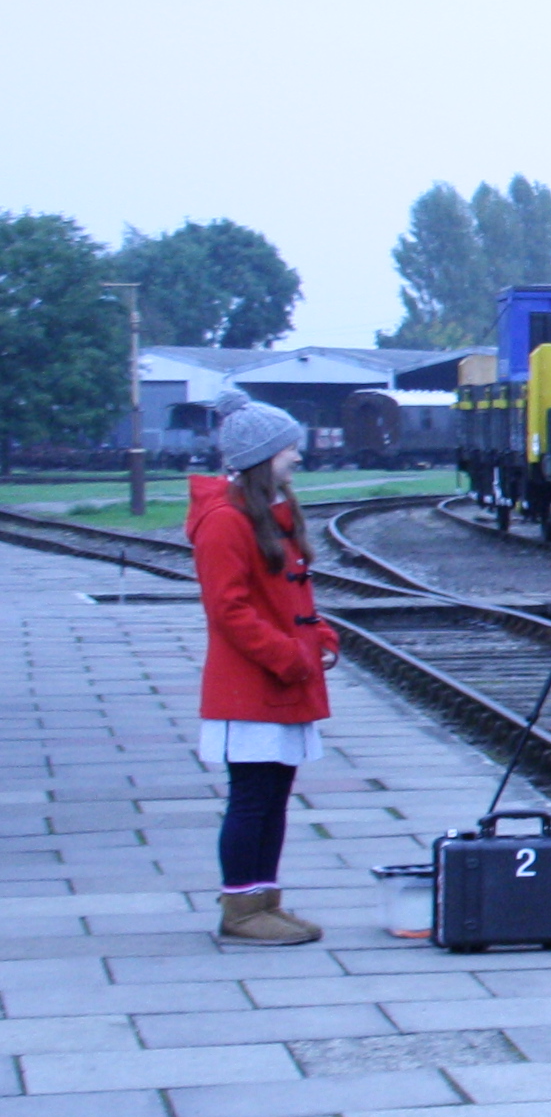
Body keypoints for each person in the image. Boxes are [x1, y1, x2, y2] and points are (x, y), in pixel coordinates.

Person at [190, 400, 339, 945]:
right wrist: (289, 654)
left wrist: (320, 638)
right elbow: (227, 610)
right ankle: (241, 907)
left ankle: (263, 899)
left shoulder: (266, 513)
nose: (298, 455)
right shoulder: (226, 521)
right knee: (253, 796)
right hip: (253, 685)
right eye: (289, 447)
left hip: (281, 682)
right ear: (262, 457)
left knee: (275, 794)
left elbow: (293, 597)